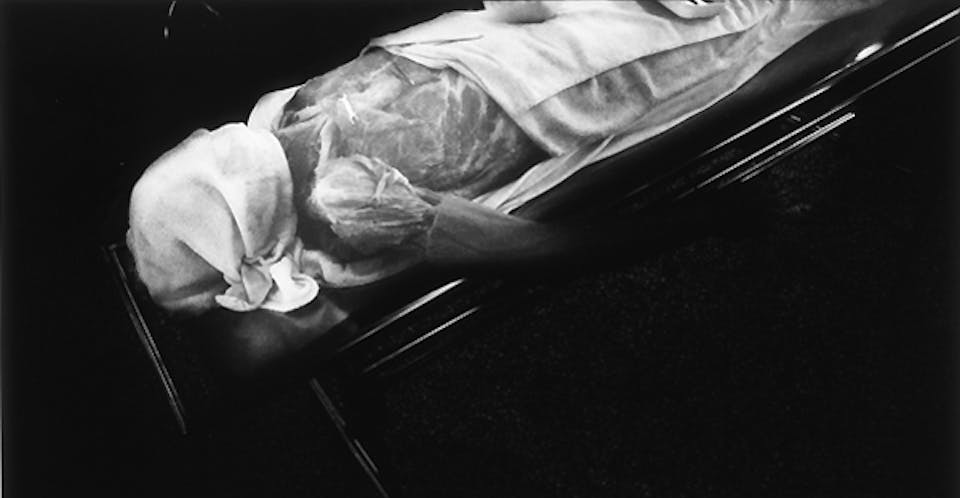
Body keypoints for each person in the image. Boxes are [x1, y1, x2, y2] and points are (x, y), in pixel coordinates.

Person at [128, 0, 880, 314]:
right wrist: (709, 215)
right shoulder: (350, 207)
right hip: (584, 81)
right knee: (760, 19)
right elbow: (543, 250)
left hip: (536, 39)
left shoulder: (285, 113)